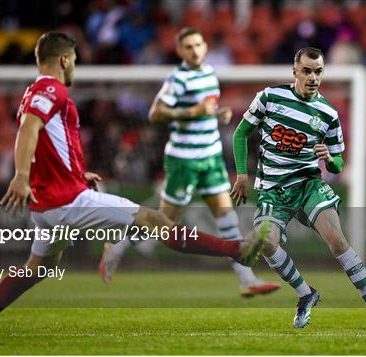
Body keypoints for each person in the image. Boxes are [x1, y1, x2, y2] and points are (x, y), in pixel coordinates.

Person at [0, 32, 266, 345]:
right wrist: (21, 175)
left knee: (37, 269)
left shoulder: (34, 91)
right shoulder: (51, 88)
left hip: (50, 204)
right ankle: (236, 250)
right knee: (155, 220)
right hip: (66, 202)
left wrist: (76, 173)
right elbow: (28, 129)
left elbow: (46, 141)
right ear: (64, 59)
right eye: (74, 59)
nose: (75, 65)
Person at [99, 27, 279, 298]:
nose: (195, 50)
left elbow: (201, 113)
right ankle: (118, 247)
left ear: (205, 47)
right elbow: (156, 113)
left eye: (198, 45)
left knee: (226, 215)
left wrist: (216, 116)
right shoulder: (178, 78)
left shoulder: (208, 74)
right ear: (181, 51)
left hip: (210, 157)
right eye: (188, 47)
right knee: (163, 221)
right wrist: (194, 111)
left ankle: (247, 279)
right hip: (184, 161)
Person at [230, 46, 366, 329]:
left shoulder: (328, 113)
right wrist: (242, 175)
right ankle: (306, 293)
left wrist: (331, 159)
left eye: (318, 72)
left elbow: (339, 163)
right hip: (272, 190)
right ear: (295, 72)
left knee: (337, 239)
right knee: (264, 241)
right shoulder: (270, 98)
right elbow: (241, 132)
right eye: (306, 71)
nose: (313, 77)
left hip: (308, 185)